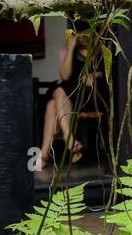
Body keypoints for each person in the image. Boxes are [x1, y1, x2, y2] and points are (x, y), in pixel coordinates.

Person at [39, 30, 101, 165]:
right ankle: (68, 138)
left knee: (52, 105)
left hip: (87, 97)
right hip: (68, 93)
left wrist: (95, 76)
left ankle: (44, 155)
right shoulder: (70, 51)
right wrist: (71, 47)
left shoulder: (101, 53)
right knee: (59, 91)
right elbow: (65, 76)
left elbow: (104, 76)